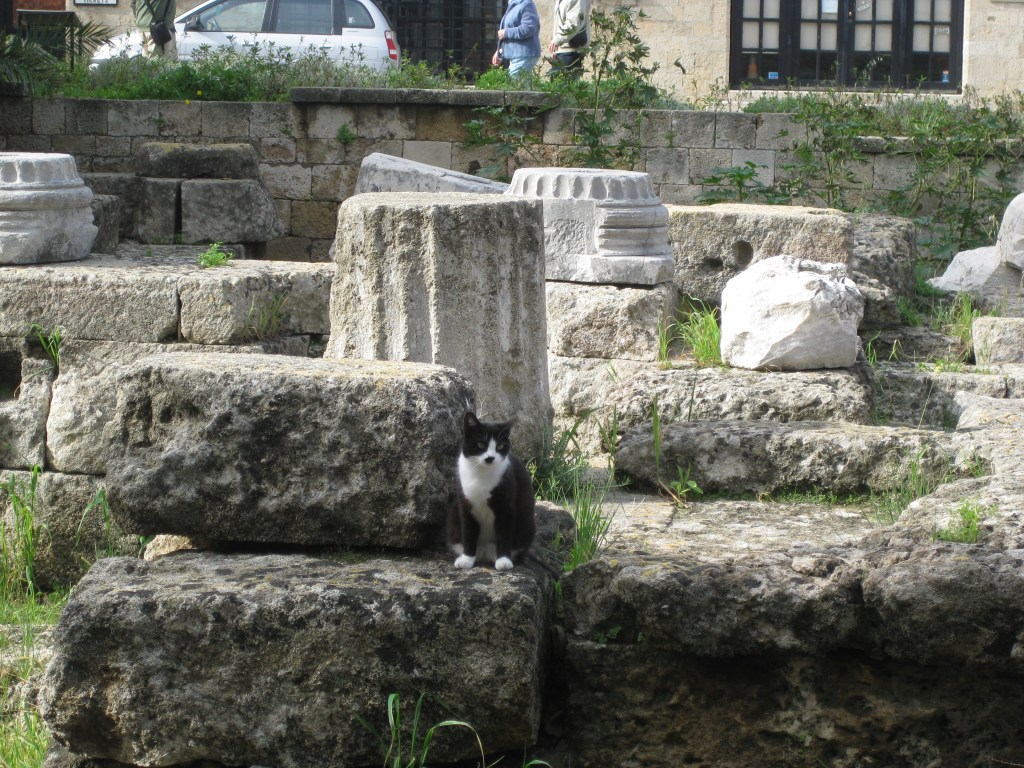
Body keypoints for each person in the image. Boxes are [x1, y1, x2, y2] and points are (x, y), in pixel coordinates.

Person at [492, 0, 541, 79]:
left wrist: (506, 32)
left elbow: (528, 29)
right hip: (517, 55)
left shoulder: (526, 4)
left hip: (524, 54)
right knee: (522, 84)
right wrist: (500, 51)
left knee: (514, 83)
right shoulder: (513, 4)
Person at [548, 0, 589, 78]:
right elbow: (559, 23)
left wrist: (557, 40)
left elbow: (573, 24)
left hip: (571, 52)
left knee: (564, 83)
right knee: (556, 83)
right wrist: (556, 48)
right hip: (561, 50)